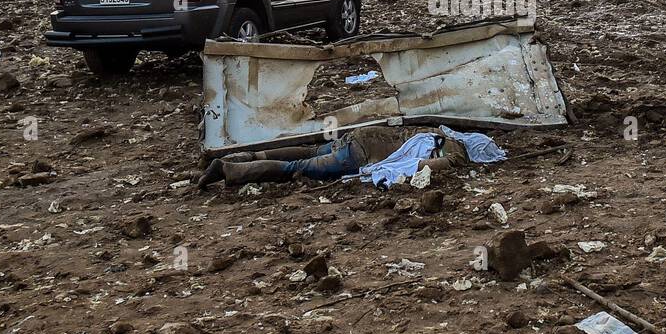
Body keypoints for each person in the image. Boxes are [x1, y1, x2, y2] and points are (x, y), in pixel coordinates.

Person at [198, 125, 472, 188]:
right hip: (357, 155)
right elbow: (420, 165)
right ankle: (229, 170)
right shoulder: (455, 155)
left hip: (359, 136)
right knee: (299, 166)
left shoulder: (436, 130)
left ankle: (244, 156)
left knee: (309, 151)